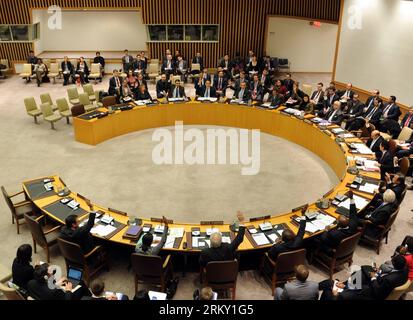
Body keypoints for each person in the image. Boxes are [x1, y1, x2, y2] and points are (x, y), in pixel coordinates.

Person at [320, 255, 408, 300]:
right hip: (382, 282)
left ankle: (343, 291)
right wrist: (379, 272)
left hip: (375, 293)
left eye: (392, 260)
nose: (390, 260)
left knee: (344, 293)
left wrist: (374, 278)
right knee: (363, 269)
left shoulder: (389, 279)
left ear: (395, 265)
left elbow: (377, 290)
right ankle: (345, 284)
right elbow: (388, 276)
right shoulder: (405, 268)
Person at [314, 191, 359, 256]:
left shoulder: (334, 234)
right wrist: (351, 198)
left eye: (338, 219)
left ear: (338, 224)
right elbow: (353, 213)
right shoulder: (353, 223)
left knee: (315, 239)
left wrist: (326, 230)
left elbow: (323, 238)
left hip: (335, 248)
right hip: (347, 244)